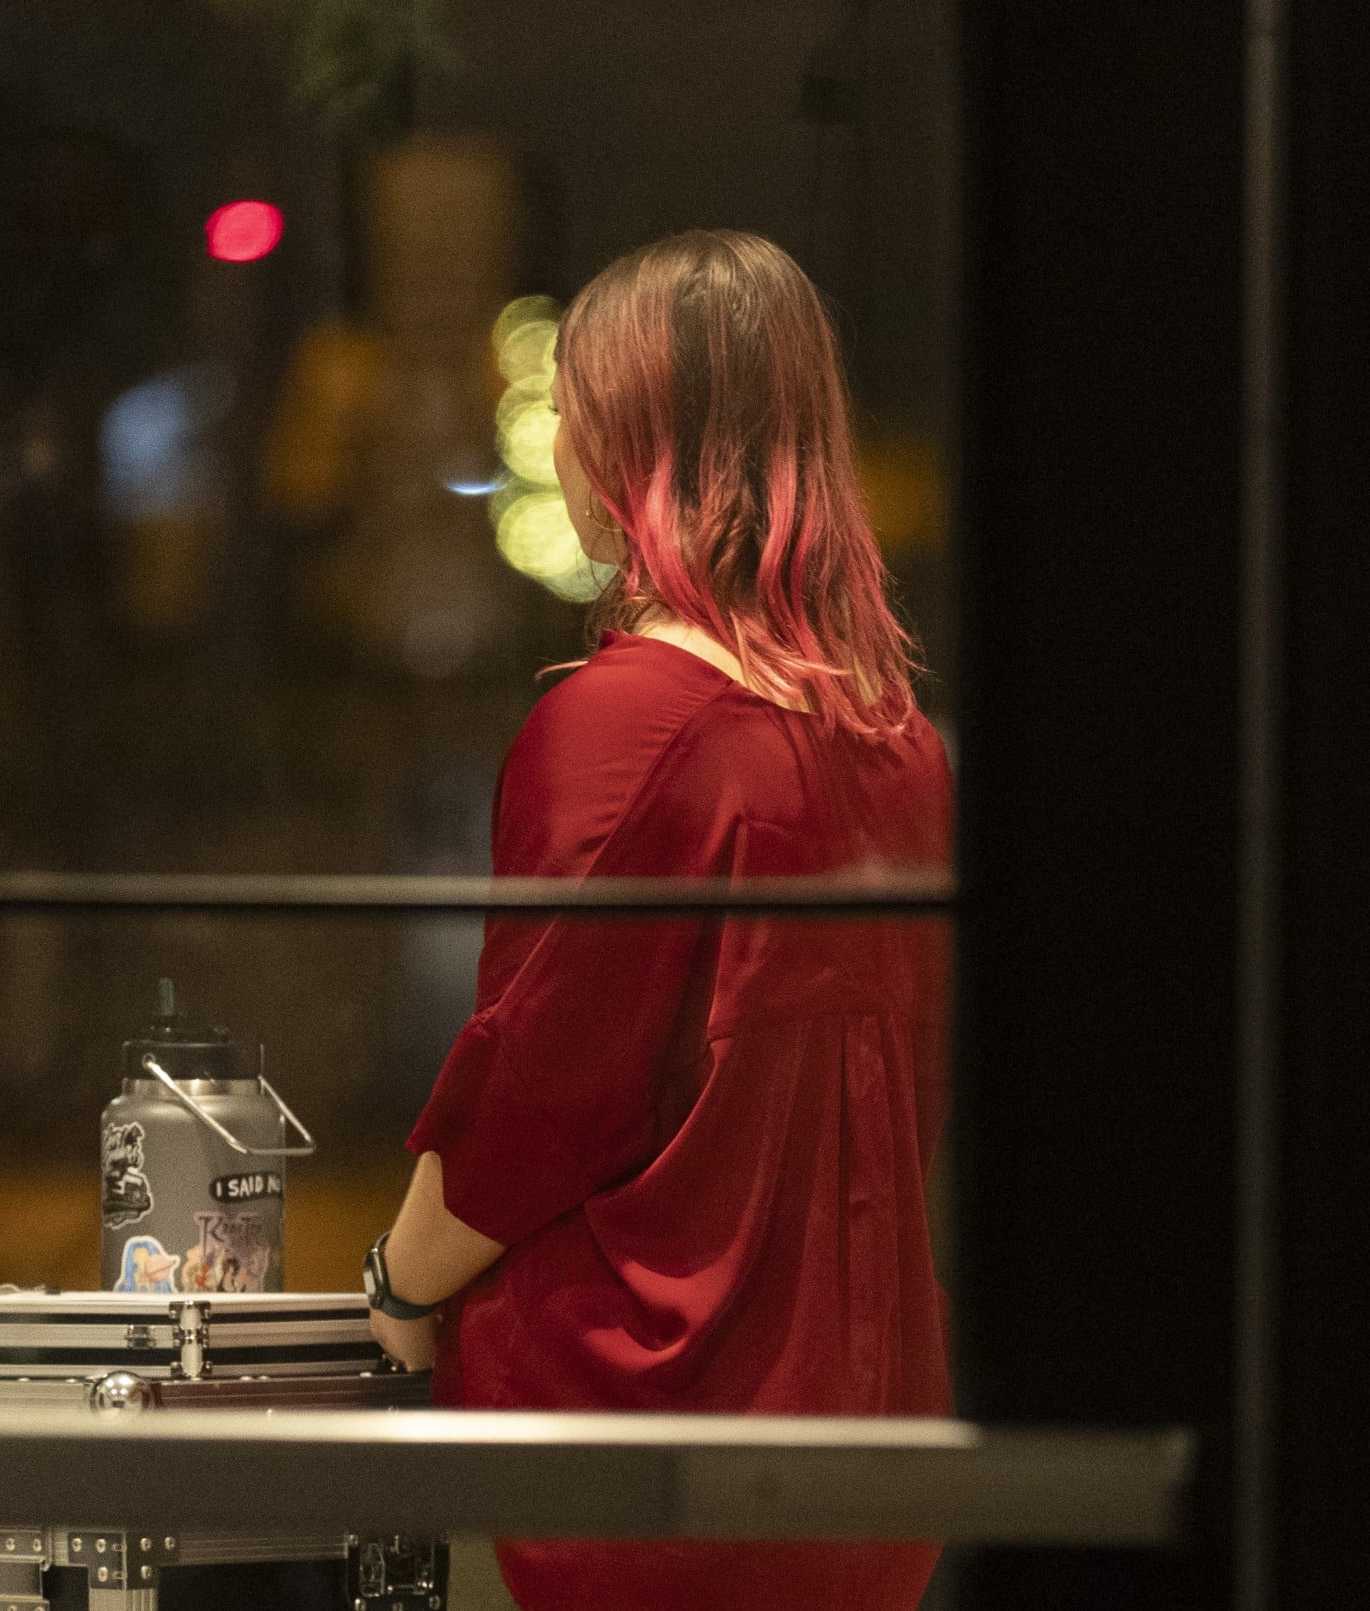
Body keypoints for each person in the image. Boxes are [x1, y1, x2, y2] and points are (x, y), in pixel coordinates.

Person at [359, 230, 954, 1611]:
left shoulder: (622, 727)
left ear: (632, 445)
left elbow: (535, 1100)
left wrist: (397, 1285)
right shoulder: (901, 748)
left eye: (571, 407)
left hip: (645, 1464)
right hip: (869, 1458)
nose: (559, 445)